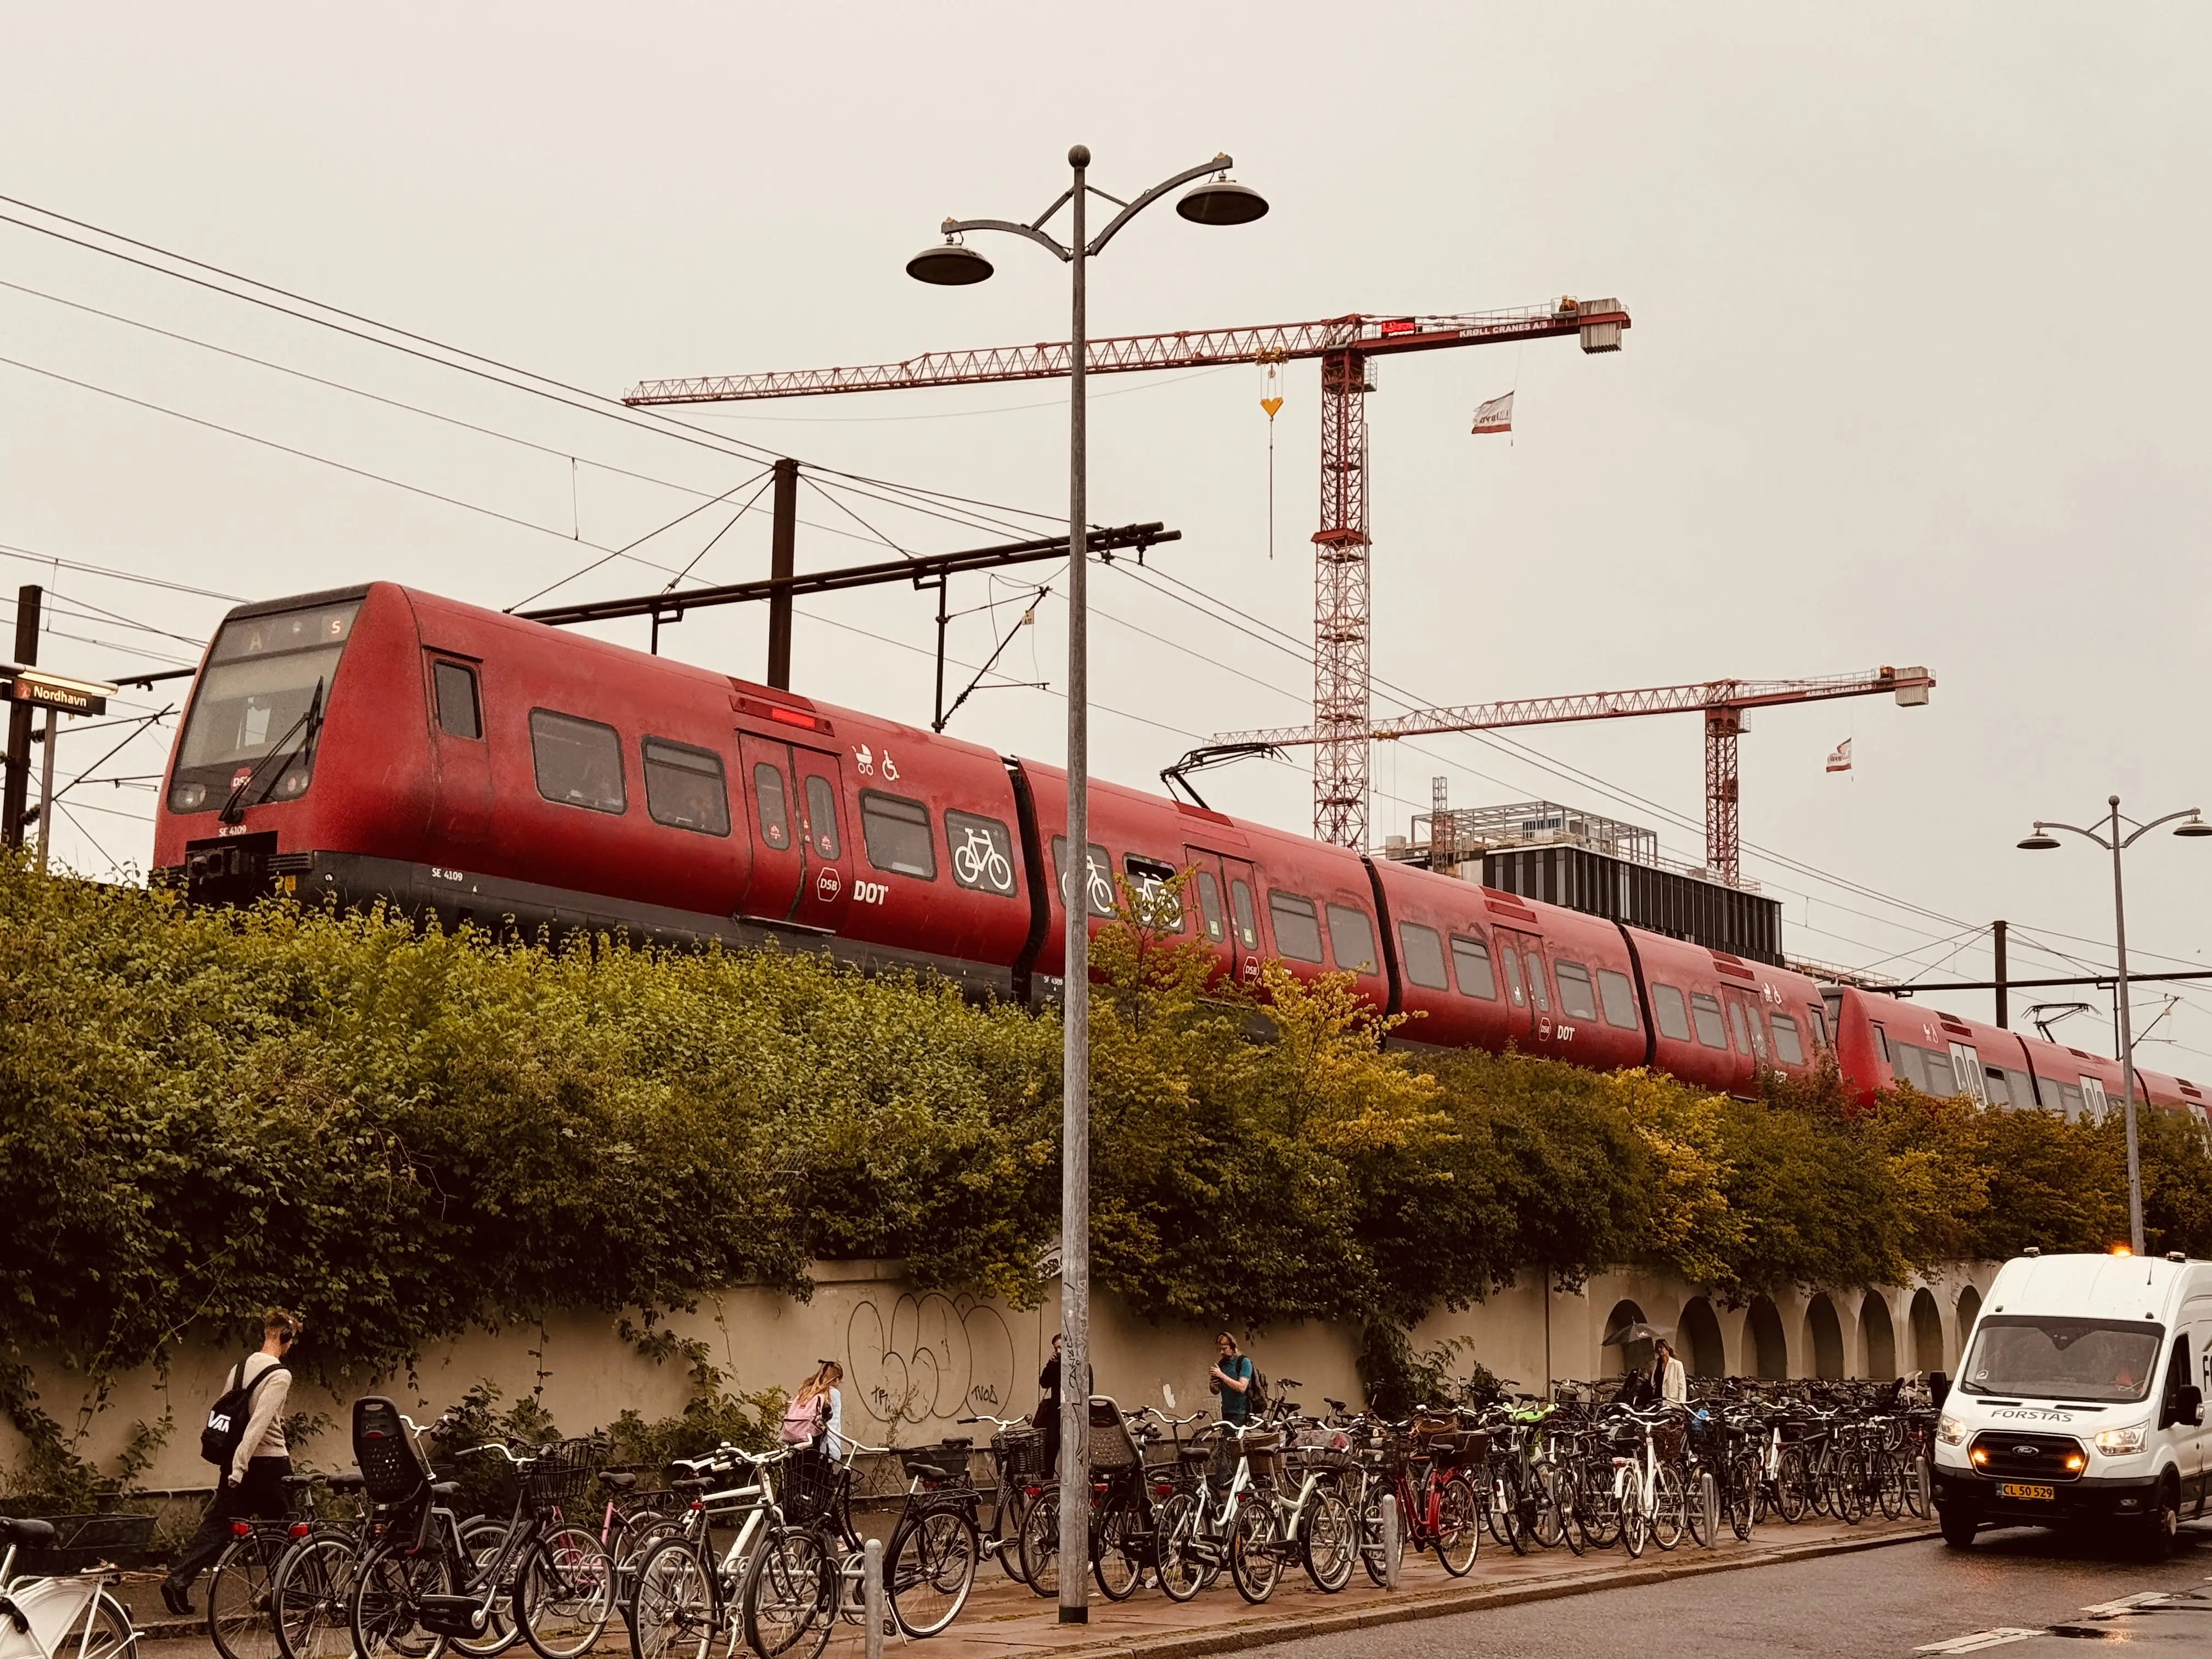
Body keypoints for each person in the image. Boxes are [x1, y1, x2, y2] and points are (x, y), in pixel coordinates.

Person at [162, 1310, 301, 1616]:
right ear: (285, 1337)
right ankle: (286, 1592)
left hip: (235, 1465)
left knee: (216, 1528)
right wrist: (240, 1466)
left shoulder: (239, 1369)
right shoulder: (280, 1375)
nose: (292, 1347)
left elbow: (223, 1415)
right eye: (292, 1340)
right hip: (268, 1466)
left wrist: (232, 1466)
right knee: (289, 1528)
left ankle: (178, 1581)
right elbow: (259, 1424)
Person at [1035, 1333, 1092, 1476]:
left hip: (1075, 1415)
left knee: (1074, 1449)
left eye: (1062, 1347)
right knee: (1051, 1445)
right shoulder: (1055, 1366)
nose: (1059, 1351)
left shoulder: (1082, 1366)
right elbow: (1044, 1383)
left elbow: (1088, 1392)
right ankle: (1047, 1481)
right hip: (1056, 1413)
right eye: (1056, 1348)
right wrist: (1051, 1364)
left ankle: (1076, 1478)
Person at [782, 1359, 846, 1459]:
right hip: (817, 1449)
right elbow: (833, 1425)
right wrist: (835, 1453)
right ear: (836, 1379)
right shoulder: (832, 1393)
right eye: (839, 1381)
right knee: (817, 1474)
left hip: (795, 1448)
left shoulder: (807, 1391)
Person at [1208, 1332, 1255, 1427]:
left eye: (1224, 1349)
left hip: (1240, 1412)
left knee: (1235, 1441)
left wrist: (1221, 1375)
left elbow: (1242, 1387)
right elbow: (1216, 1391)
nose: (1221, 1353)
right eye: (1219, 1350)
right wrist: (1213, 1386)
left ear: (1232, 1347)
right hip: (1226, 1410)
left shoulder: (1244, 1362)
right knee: (1229, 1439)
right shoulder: (1222, 1364)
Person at [1650, 1337, 1688, 1404]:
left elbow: (1682, 1385)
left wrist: (1682, 1402)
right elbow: (1654, 1382)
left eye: (1661, 1348)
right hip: (1658, 1399)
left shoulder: (1677, 1364)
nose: (1659, 1350)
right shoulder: (1656, 1364)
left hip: (1672, 1401)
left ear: (1667, 1349)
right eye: (1657, 1348)